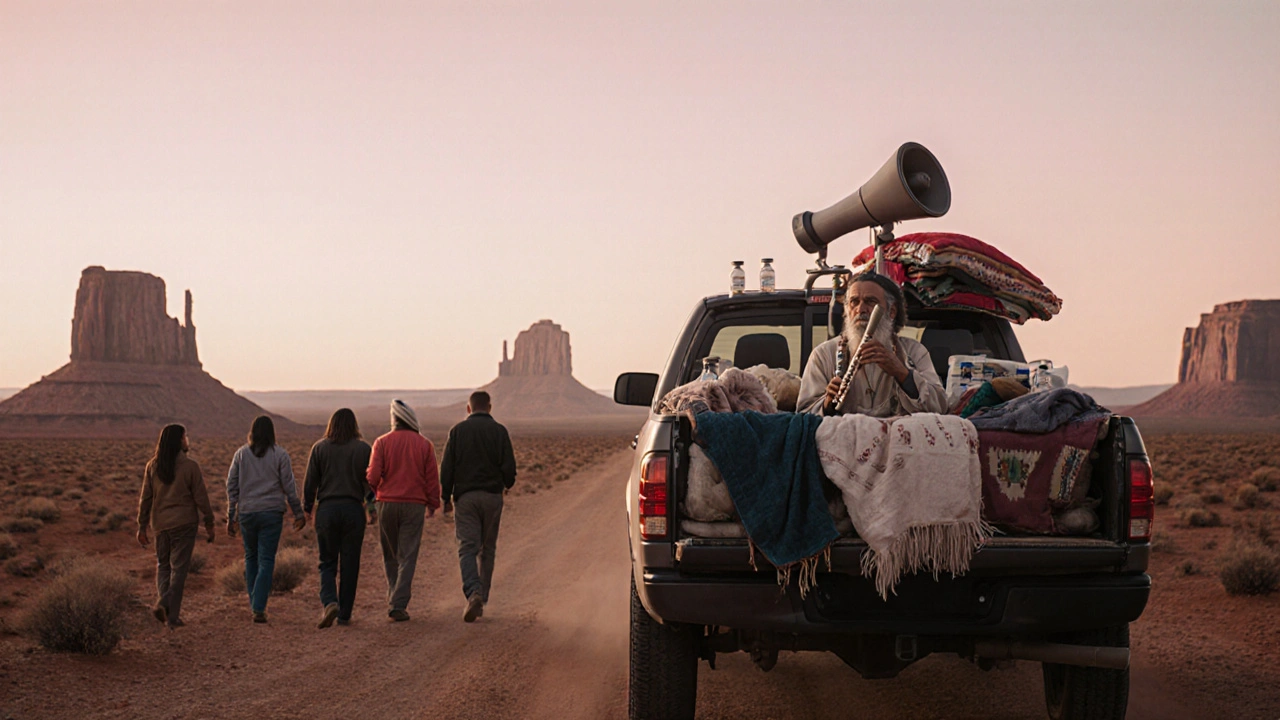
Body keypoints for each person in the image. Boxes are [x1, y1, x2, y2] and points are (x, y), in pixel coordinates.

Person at [797, 272, 947, 417]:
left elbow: (940, 407)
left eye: (870, 302)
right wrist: (827, 403)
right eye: (854, 302)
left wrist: (902, 373)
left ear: (892, 311)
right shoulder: (824, 355)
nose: (861, 309)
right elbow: (803, 418)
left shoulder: (914, 352)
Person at [440, 391, 517, 623]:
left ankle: (473, 593)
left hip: (465, 498)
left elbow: (447, 468)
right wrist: (506, 483)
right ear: (490, 408)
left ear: (468, 408)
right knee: (488, 549)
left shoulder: (457, 432)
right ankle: (481, 597)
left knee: (467, 548)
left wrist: (445, 497)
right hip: (492, 497)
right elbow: (509, 467)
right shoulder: (499, 431)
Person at [226, 415, 306, 623]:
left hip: (247, 513)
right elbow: (289, 486)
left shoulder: (241, 454)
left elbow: (231, 486)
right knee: (266, 559)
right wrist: (298, 512)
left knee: (251, 557)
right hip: (271, 513)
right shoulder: (280, 454)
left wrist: (231, 515)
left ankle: (255, 602)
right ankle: (258, 606)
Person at [366, 399, 440, 622]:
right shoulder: (425, 445)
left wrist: (376, 495)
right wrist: (433, 504)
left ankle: (394, 598)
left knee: (390, 554)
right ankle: (398, 602)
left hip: (387, 504)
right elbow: (431, 479)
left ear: (394, 419)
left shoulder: (381, 442)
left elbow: (372, 476)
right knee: (408, 555)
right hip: (414, 505)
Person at [136, 423, 215, 629]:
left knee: (163, 566)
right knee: (179, 570)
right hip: (184, 524)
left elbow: (146, 498)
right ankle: (167, 608)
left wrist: (141, 526)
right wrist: (209, 521)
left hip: (160, 525)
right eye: (184, 437)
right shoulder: (190, 467)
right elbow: (201, 497)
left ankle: (169, 614)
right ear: (179, 441)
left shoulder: (153, 466)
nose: (187, 440)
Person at [303, 408, 373, 628]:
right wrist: (372, 508)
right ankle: (344, 614)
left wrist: (307, 508)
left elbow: (310, 483)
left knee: (327, 562)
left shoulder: (319, 448)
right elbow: (370, 483)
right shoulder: (363, 449)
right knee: (351, 564)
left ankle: (329, 601)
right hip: (353, 510)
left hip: (327, 509)